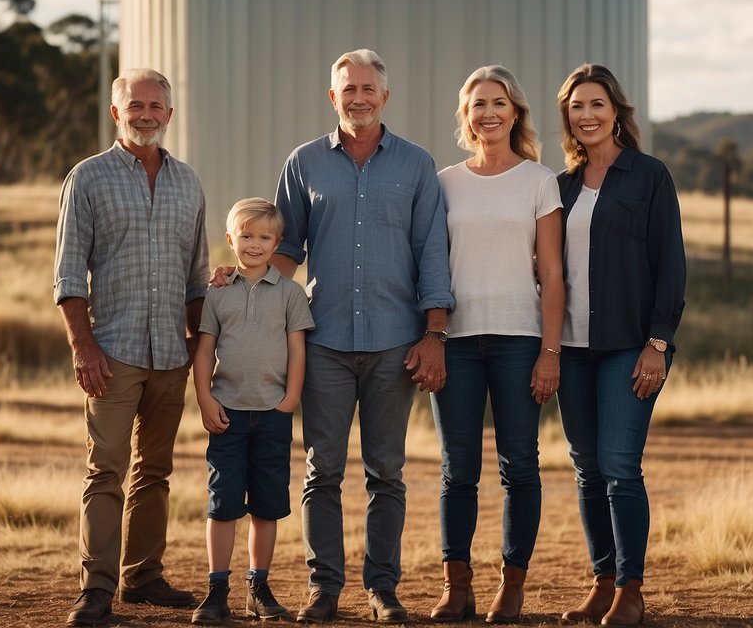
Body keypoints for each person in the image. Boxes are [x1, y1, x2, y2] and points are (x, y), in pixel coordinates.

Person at [272, 48, 454, 624]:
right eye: (347, 89)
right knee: (321, 469)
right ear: (333, 97)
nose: (358, 98)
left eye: (368, 89)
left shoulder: (418, 165)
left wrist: (434, 335)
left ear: (385, 96)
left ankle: (382, 589)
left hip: (395, 343)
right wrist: (245, 292)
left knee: (386, 473)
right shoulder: (303, 164)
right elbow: (283, 252)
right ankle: (324, 590)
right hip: (322, 340)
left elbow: (432, 255)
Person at [53, 68, 210, 627]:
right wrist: (83, 347)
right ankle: (95, 590)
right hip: (113, 353)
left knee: (156, 471)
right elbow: (69, 276)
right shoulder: (87, 179)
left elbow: (196, 280)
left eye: (156, 106)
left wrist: (203, 352)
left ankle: (142, 576)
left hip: (172, 353)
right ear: (116, 113)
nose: (146, 114)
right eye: (134, 105)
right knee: (105, 472)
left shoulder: (188, 182)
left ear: (169, 114)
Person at [429, 65, 565, 624]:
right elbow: (431, 265)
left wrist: (550, 352)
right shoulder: (443, 181)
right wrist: (432, 335)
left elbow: (553, 274)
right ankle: (456, 587)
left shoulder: (539, 180)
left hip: (518, 338)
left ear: (515, 113)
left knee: (521, 467)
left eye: (499, 103)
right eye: (478, 103)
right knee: (457, 469)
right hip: (456, 340)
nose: (488, 113)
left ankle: (512, 584)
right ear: (466, 114)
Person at [552, 63, 686, 627]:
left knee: (619, 466)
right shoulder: (559, 186)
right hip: (572, 348)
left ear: (616, 112)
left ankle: (632, 590)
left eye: (596, 105)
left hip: (631, 346)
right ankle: (602, 583)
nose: (587, 116)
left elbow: (671, 265)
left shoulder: (648, 175)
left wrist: (657, 342)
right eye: (577, 108)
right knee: (586, 469)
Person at [190, 198, 316, 625]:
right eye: (246, 235)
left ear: (278, 243)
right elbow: (205, 349)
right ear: (231, 239)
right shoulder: (218, 292)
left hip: (273, 414)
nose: (255, 244)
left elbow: (298, 349)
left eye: (265, 237)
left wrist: (290, 400)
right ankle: (217, 590)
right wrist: (205, 398)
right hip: (226, 414)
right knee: (222, 504)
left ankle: (258, 587)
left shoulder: (291, 293)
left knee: (266, 506)